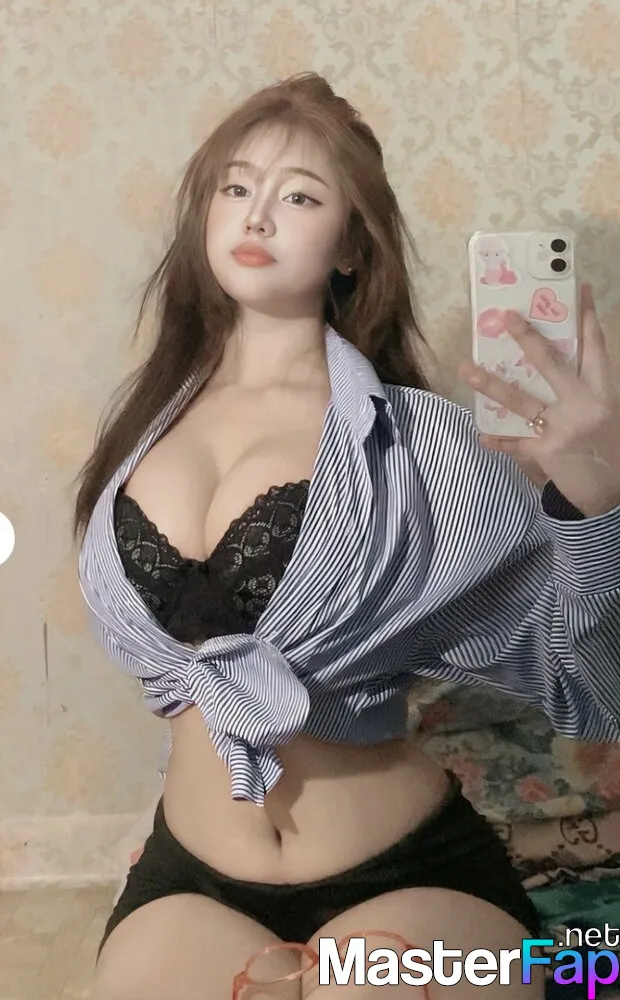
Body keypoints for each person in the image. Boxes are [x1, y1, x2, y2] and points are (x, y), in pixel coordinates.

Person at [74, 72, 620, 999]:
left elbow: (590, 678)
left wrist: (596, 502)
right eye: (236, 186)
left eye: (299, 197)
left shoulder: (421, 445)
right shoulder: (141, 427)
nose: (257, 214)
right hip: (189, 877)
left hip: (404, 873)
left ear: (353, 248)